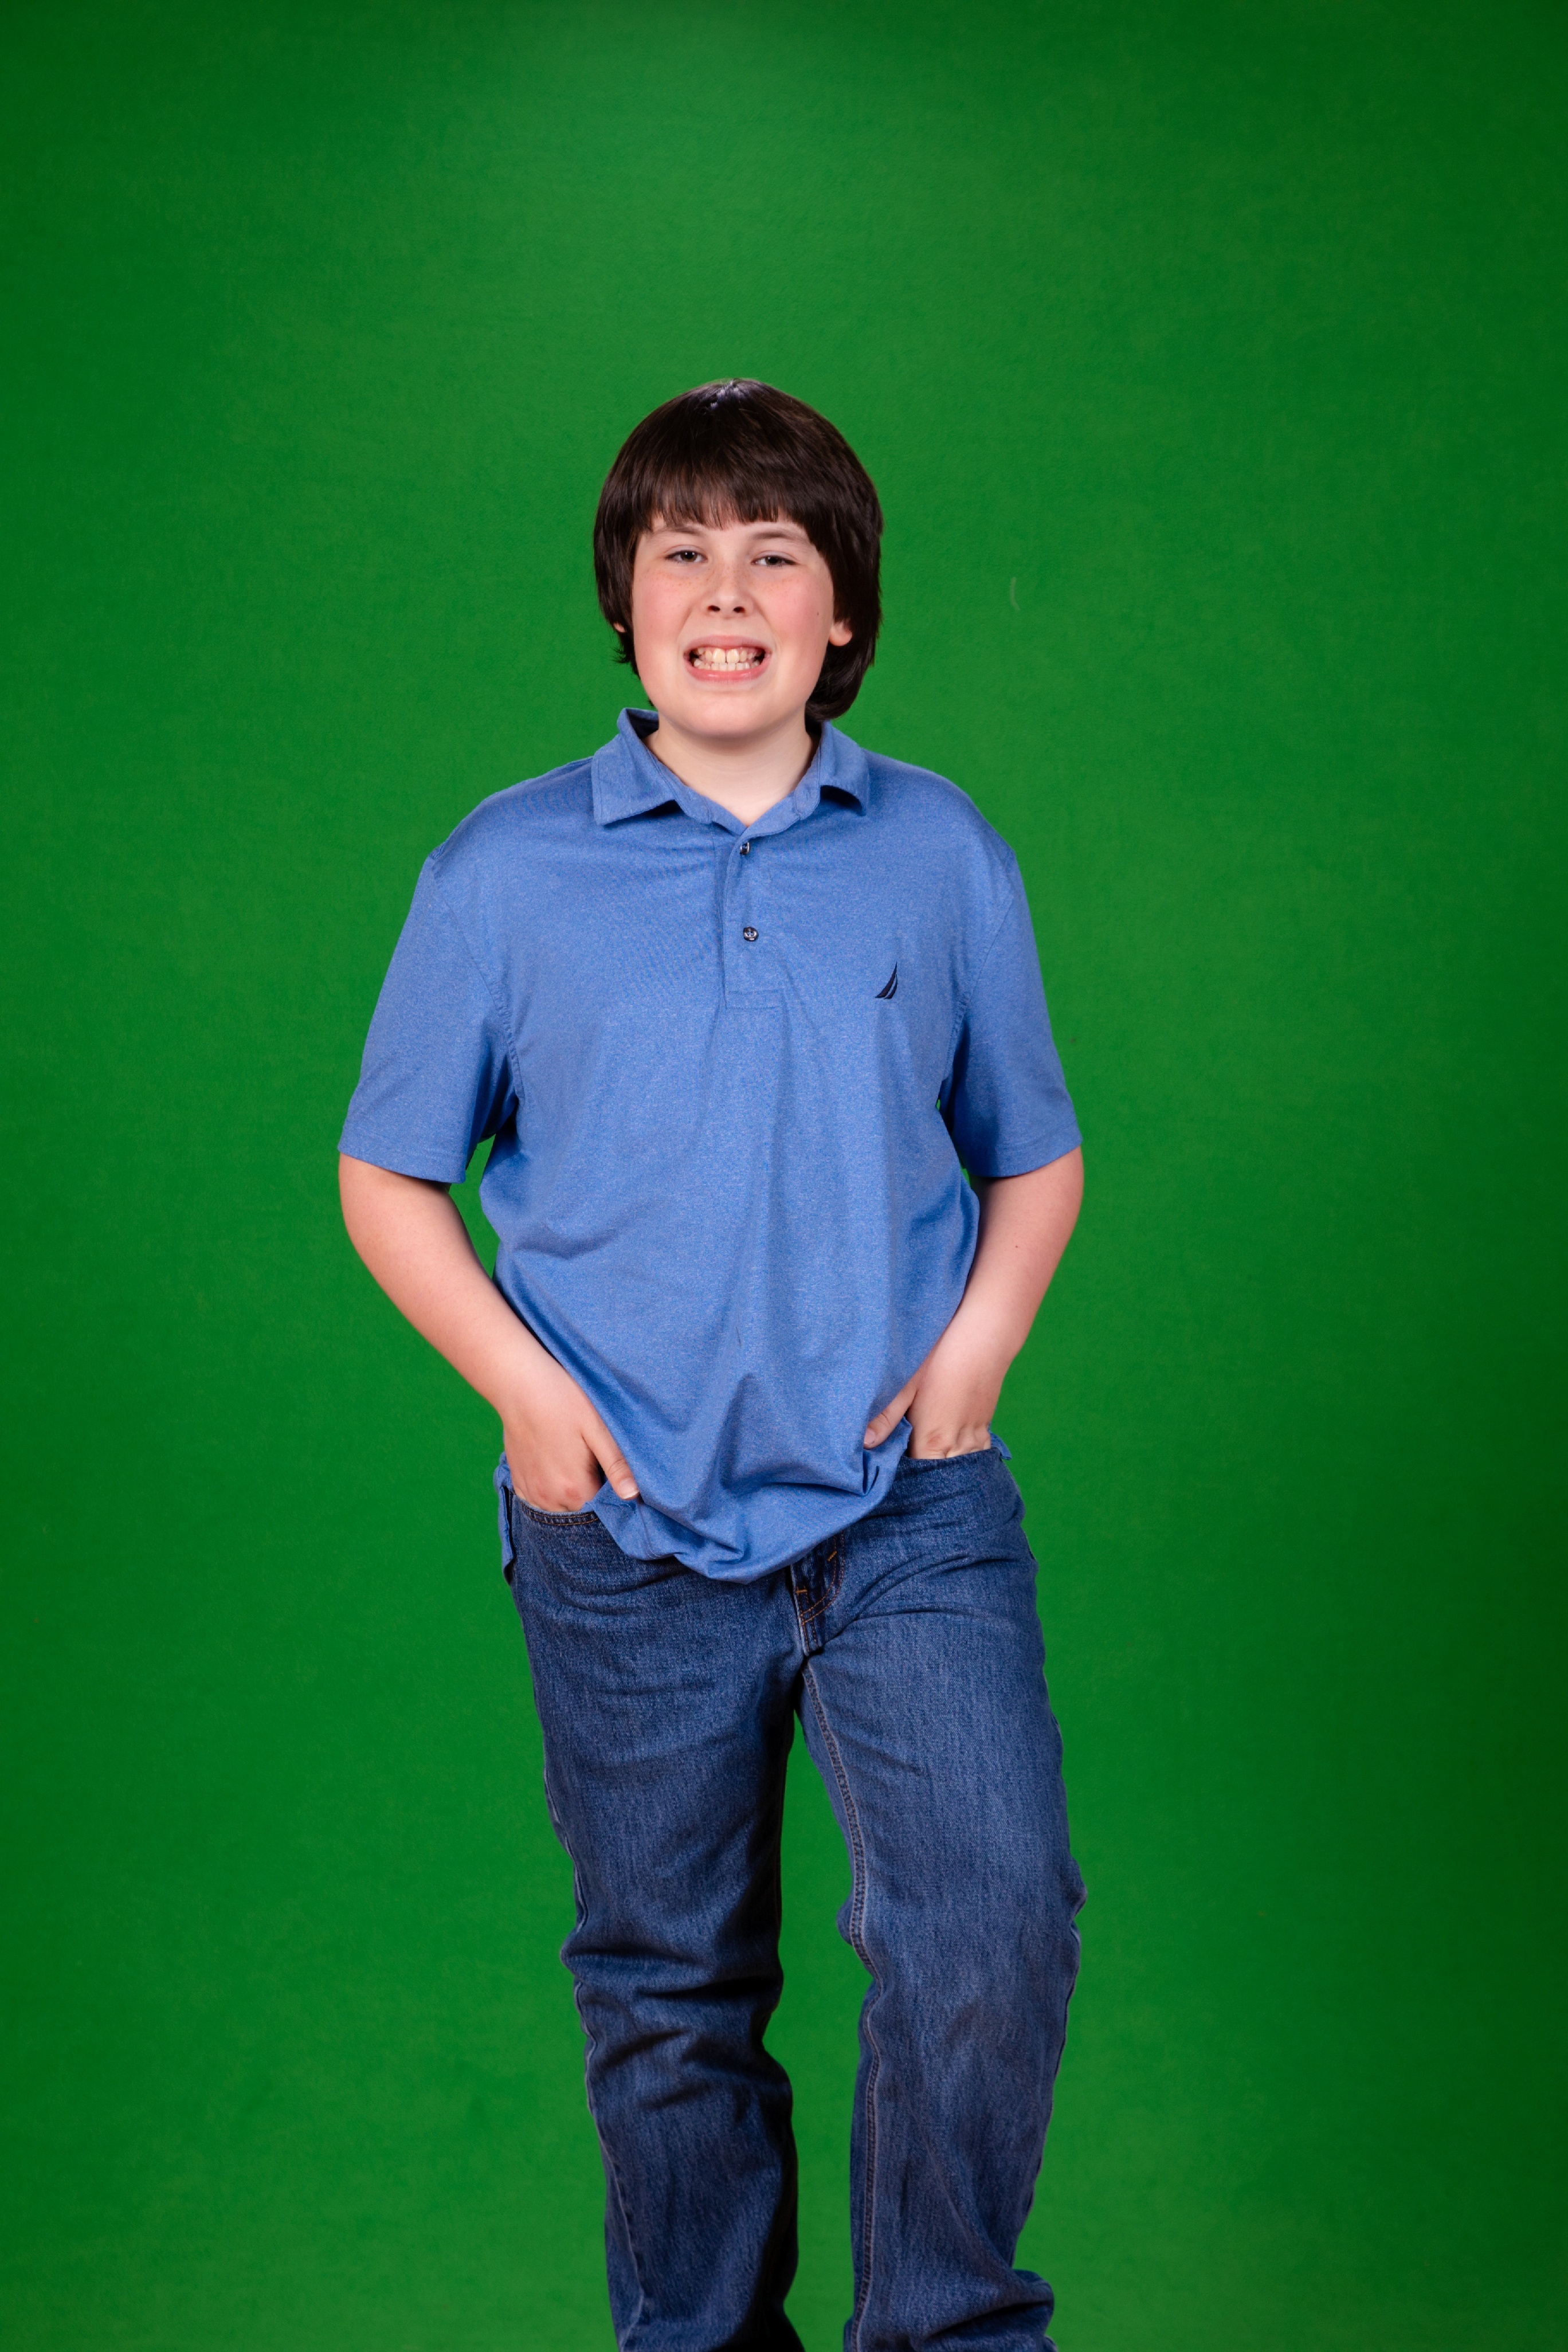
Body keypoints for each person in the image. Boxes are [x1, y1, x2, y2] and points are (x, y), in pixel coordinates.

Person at [339, 379, 1087, 2352]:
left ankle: (947, 2331)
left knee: (992, 1924)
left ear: (844, 612)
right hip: (623, 1521)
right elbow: (387, 1173)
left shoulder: (938, 853)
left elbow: (1034, 1150)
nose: (728, 591)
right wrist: (530, 1400)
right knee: (669, 1990)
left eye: (776, 553)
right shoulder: (503, 873)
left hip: (907, 1508)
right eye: (683, 552)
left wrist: (981, 1345)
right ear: (627, 599)